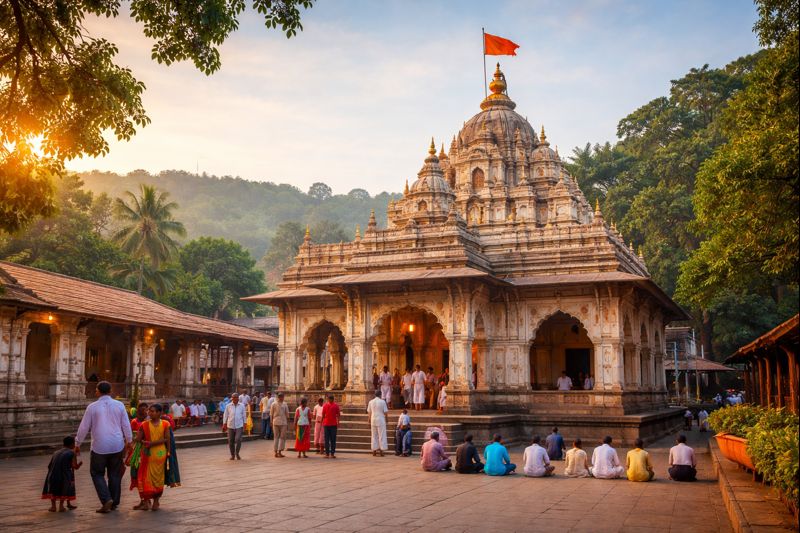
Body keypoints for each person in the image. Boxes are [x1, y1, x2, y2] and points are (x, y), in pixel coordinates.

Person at [75, 381, 133, 513]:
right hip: (117, 444)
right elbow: (126, 424)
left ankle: (106, 499)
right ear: (110, 391)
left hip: (99, 446)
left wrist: (77, 443)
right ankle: (114, 502)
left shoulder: (92, 407)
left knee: (97, 474)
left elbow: (84, 427)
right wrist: (129, 441)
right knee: (115, 474)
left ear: (98, 391)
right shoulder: (119, 405)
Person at [131, 403, 180, 510]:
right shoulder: (146, 424)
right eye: (149, 411)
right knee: (154, 478)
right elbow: (139, 439)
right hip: (154, 453)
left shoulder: (163, 424)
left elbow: (167, 439)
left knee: (151, 477)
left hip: (157, 454)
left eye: (152, 411)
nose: (150, 413)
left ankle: (154, 501)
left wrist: (167, 453)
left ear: (159, 413)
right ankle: (152, 502)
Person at [42, 436, 82, 512]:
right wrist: (80, 464)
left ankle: (53, 507)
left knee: (53, 489)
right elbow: (75, 466)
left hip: (52, 475)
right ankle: (61, 506)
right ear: (71, 444)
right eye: (74, 443)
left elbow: (49, 466)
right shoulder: (72, 453)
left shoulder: (56, 452)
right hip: (64, 475)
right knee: (65, 487)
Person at [222, 393, 246, 460]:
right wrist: (224, 423)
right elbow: (225, 415)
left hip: (239, 425)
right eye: (234, 397)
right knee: (230, 441)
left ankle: (237, 453)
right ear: (232, 398)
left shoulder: (242, 405)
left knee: (238, 439)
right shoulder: (228, 406)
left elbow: (244, 415)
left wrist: (245, 423)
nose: (235, 399)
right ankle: (232, 455)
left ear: (238, 398)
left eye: (236, 397)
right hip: (230, 425)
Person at [367, 390, 389, 456]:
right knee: (381, 435)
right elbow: (385, 412)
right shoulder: (382, 402)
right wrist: (387, 420)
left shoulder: (371, 402)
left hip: (373, 419)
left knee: (374, 435)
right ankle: (381, 451)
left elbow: (369, 412)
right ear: (380, 395)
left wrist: (369, 420)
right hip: (381, 419)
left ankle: (374, 451)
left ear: (375, 395)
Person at [270, 392, 290, 458]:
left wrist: (287, 422)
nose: (282, 398)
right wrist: (271, 421)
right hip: (277, 422)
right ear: (279, 397)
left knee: (281, 437)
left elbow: (287, 414)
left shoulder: (284, 404)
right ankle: (276, 451)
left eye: (282, 397)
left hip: (282, 422)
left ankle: (279, 451)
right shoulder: (274, 404)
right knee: (277, 437)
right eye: (281, 397)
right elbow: (271, 414)